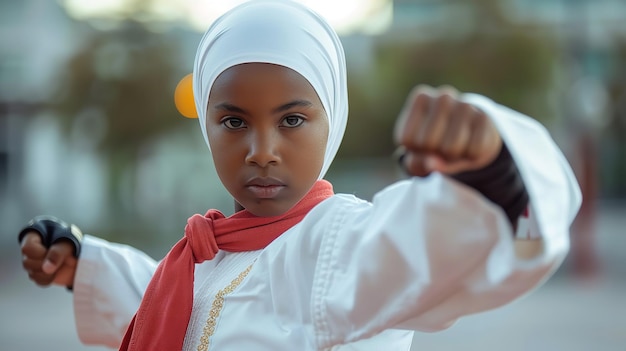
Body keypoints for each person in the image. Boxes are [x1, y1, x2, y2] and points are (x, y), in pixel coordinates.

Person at [18, 1, 581, 350]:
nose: (262, 151)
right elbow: (178, 304)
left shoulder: (335, 245)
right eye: (234, 121)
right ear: (205, 127)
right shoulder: (210, 253)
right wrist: (84, 262)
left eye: (292, 119)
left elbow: (429, 247)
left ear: (331, 121)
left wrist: (494, 173)